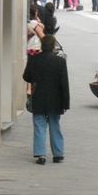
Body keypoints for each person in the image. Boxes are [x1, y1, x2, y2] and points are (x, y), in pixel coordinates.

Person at [22, 35, 70, 166]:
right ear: (53, 46)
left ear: (41, 45)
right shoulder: (60, 61)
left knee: (39, 125)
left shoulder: (34, 59)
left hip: (39, 97)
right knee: (55, 125)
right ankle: (58, 154)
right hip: (56, 99)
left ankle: (40, 154)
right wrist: (66, 103)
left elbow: (26, 76)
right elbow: (64, 84)